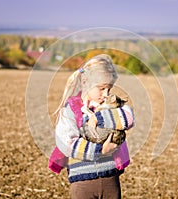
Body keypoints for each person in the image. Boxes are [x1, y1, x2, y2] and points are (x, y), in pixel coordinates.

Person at [50, 54, 135, 199]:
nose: (106, 94)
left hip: (110, 177)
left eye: (109, 88)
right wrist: (100, 150)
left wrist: (98, 118)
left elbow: (128, 117)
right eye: (102, 88)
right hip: (82, 181)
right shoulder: (70, 110)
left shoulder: (111, 105)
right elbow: (66, 142)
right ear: (85, 81)